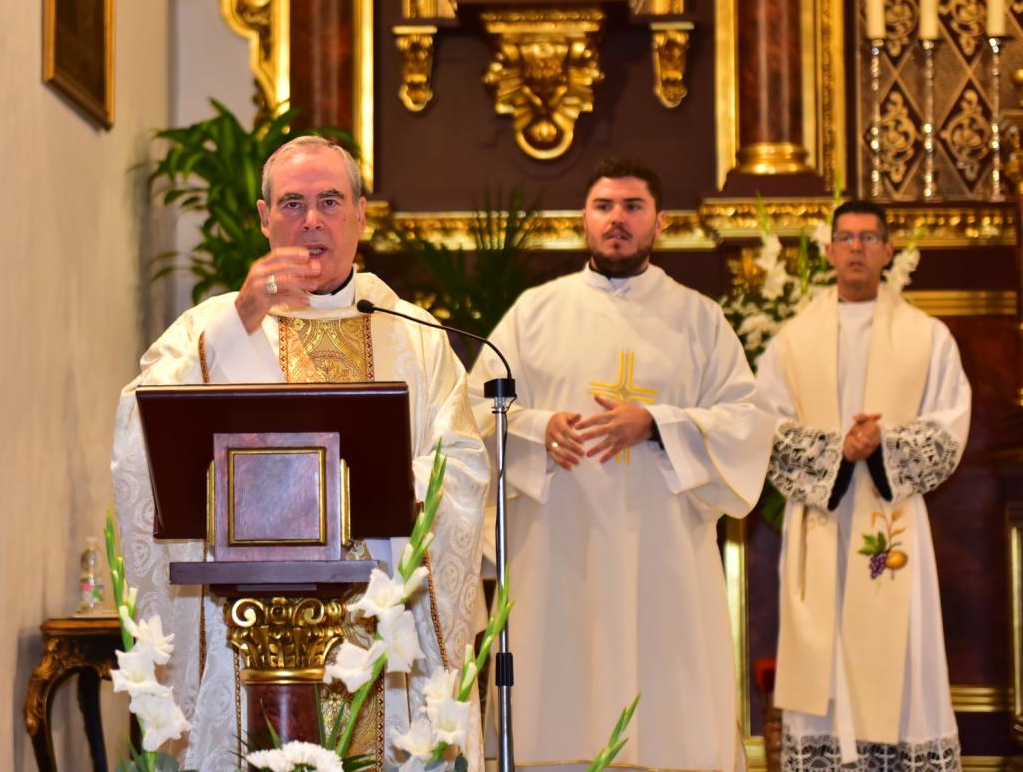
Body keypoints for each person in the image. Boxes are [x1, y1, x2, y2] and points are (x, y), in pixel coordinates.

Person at [110, 135, 488, 769]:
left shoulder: (413, 337)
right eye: (292, 202)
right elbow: (142, 435)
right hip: (246, 621)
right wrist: (244, 320)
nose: (312, 219)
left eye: (330, 200)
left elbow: (464, 462)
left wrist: (404, 493)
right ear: (264, 219)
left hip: (376, 599)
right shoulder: (212, 327)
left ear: (362, 215)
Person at [469, 157, 773, 770]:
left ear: (659, 223)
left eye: (633, 207)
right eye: (604, 206)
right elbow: (474, 414)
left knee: (665, 690)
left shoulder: (698, 319)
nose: (617, 219)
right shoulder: (534, 313)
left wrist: (657, 425)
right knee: (560, 689)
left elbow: (747, 420)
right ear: (583, 219)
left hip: (663, 551)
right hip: (559, 549)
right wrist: (536, 427)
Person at [759, 200, 969, 771]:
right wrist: (837, 450)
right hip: (822, 523)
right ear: (828, 251)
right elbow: (766, 426)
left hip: (892, 519)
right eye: (845, 238)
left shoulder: (929, 337)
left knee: (901, 657)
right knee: (824, 661)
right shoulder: (790, 341)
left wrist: (885, 446)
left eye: (868, 237)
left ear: (888, 250)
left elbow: (950, 426)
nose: (856, 247)